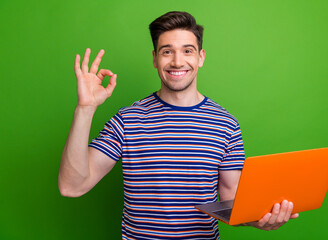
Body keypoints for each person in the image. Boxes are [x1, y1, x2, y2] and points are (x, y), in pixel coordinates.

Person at [58, 11, 299, 239]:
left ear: (200, 57)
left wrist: (258, 219)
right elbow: (72, 186)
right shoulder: (127, 119)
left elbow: (231, 200)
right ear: (154, 58)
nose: (177, 61)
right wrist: (85, 108)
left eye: (187, 50)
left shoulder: (226, 124)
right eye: (166, 52)